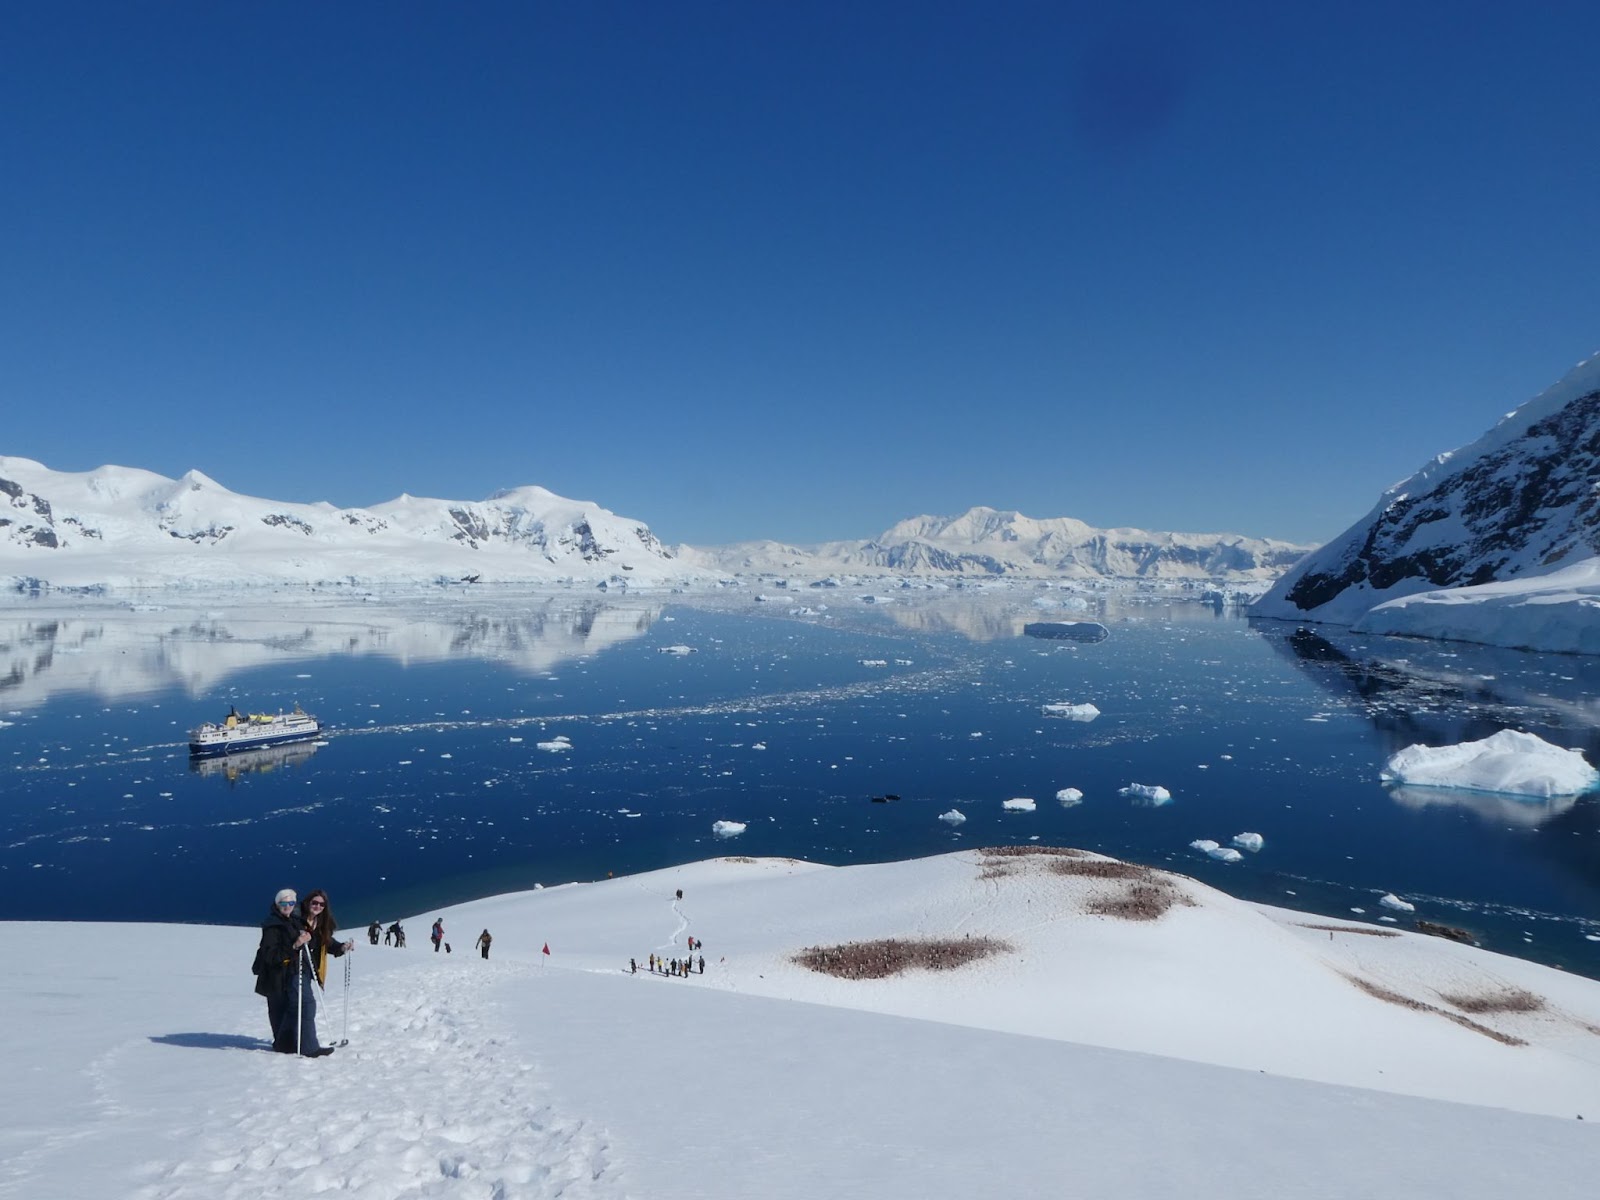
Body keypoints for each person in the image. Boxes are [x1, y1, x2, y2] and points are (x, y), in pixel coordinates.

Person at [276, 887, 354, 1057]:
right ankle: (309, 1048)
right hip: (292, 968)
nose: (318, 906)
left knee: (294, 1006)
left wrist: (342, 947)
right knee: (306, 1005)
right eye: (315, 902)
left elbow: (327, 943)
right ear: (307, 902)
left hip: (307, 970)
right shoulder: (295, 920)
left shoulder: (319, 925)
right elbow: (285, 940)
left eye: (321, 904)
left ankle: (283, 1043)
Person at [252, 888, 299, 1046]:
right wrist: (295, 946)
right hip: (275, 976)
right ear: (277, 904)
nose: (288, 906)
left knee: (288, 1008)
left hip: (287, 973)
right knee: (278, 1009)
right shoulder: (272, 926)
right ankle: (282, 1043)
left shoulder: (291, 920)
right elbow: (271, 956)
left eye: (291, 902)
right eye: (283, 903)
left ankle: (288, 1041)